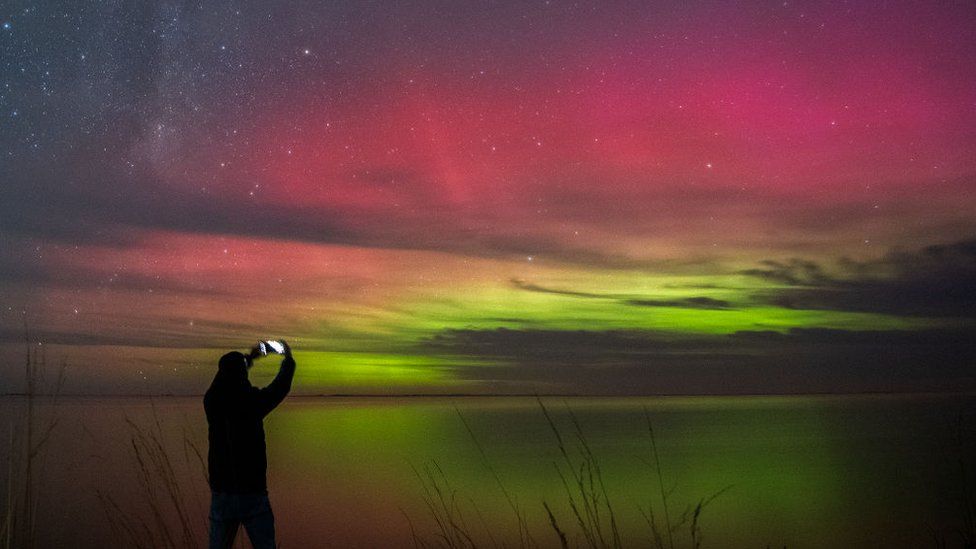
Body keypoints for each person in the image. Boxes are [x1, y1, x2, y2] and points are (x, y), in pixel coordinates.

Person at [204, 341, 296, 549]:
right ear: (242, 374)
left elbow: (224, 376)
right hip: (252, 493)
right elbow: (281, 386)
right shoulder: (253, 402)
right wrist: (288, 360)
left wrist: (248, 359)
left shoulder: (212, 402)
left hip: (222, 493)